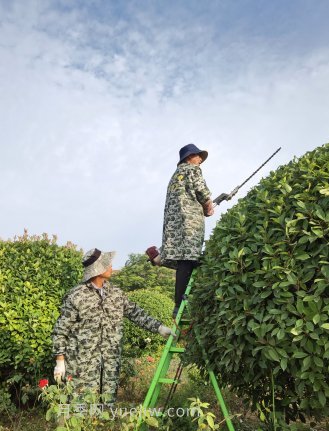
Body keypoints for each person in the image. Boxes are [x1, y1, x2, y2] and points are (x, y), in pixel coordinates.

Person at [52, 248, 172, 402]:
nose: (110, 267)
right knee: (80, 408)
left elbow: (136, 313)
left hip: (110, 363)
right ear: (97, 269)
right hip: (83, 366)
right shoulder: (76, 296)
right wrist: (60, 361)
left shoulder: (116, 293)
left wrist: (159, 328)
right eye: (106, 264)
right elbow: (61, 330)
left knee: (107, 409)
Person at [146, 143, 214, 318]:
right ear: (189, 157)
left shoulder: (175, 177)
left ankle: (159, 257)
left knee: (182, 258)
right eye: (198, 156)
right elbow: (202, 191)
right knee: (188, 260)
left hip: (174, 225)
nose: (200, 160)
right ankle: (180, 305)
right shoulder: (192, 170)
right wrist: (208, 206)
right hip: (189, 223)